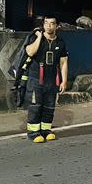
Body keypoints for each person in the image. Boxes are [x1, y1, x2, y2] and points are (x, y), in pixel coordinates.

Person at [23, 15, 69, 143]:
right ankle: (33, 132)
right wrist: (39, 37)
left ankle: (46, 130)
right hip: (36, 79)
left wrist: (64, 81)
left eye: (52, 23)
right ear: (43, 25)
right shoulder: (34, 38)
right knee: (35, 106)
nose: (49, 25)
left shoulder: (60, 42)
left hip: (51, 80)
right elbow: (30, 52)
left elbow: (63, 62)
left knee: (49, 107)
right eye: (46, 23)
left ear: (57, 26)